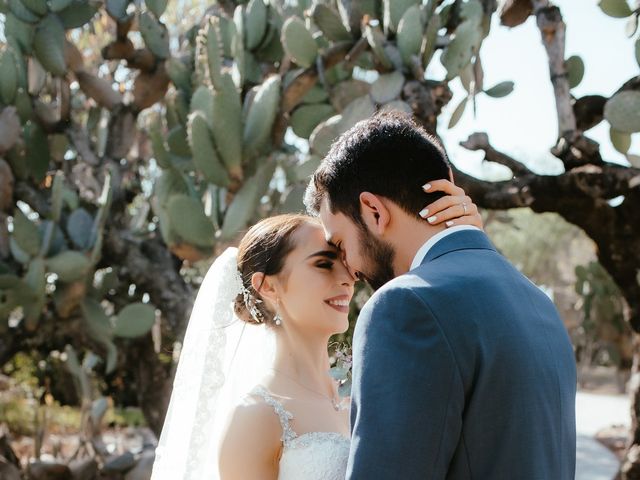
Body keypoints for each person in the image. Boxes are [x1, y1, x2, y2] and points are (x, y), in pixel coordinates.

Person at [304, 111, 577, 479]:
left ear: (373, 211)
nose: (348, 266)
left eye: (340, 242)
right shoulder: (536, 301)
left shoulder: (406, 304)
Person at [150, 180, 482, 480]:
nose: (347, 277)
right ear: (268, 287)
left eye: (344, 261)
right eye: (323, 263)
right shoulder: (257, 416)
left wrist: (461, 235)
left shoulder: (367, 391)